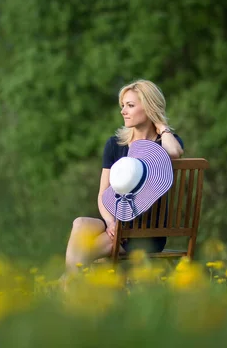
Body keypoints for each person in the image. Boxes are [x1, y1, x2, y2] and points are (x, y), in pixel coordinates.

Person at [63, 79, 184, 279]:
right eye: (123, 106)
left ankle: (66, 286)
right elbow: (103, 193)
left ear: (148, 107)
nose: (123, 111)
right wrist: (110, 222)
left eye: (130, 105)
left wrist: (161, 125)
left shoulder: (164, 143)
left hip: (146, 236)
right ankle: (69, 285)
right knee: (80, 223)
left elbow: (174, 152)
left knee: (83, 252)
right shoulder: (115, 144)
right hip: (116, 226)